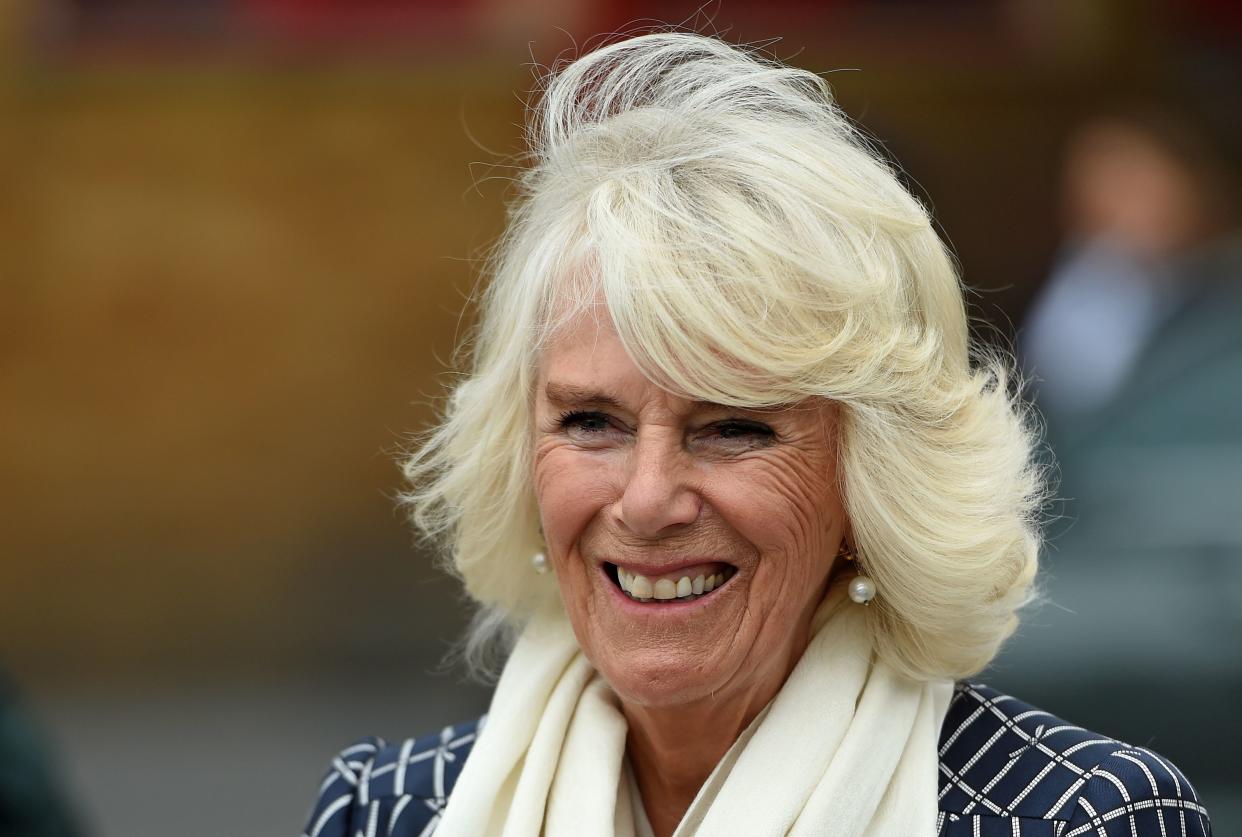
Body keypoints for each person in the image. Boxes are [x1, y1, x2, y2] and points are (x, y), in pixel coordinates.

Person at [301, 34, 1213, 837]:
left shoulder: (1078, 817)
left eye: (733, 427)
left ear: (874, 478)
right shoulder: (389, 812)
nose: (648, 498)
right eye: (591, 422)